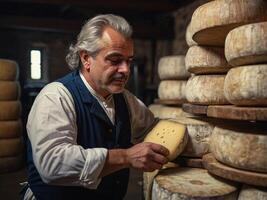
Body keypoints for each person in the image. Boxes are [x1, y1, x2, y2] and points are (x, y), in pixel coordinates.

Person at [24, 14, 169, 200]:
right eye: (115, 60)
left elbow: (153, 128)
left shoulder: (125, 100)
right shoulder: (55, 97)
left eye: (129, 60)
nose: (125, 70)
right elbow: (53, 164)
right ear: (86, 58)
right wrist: (126, 157)